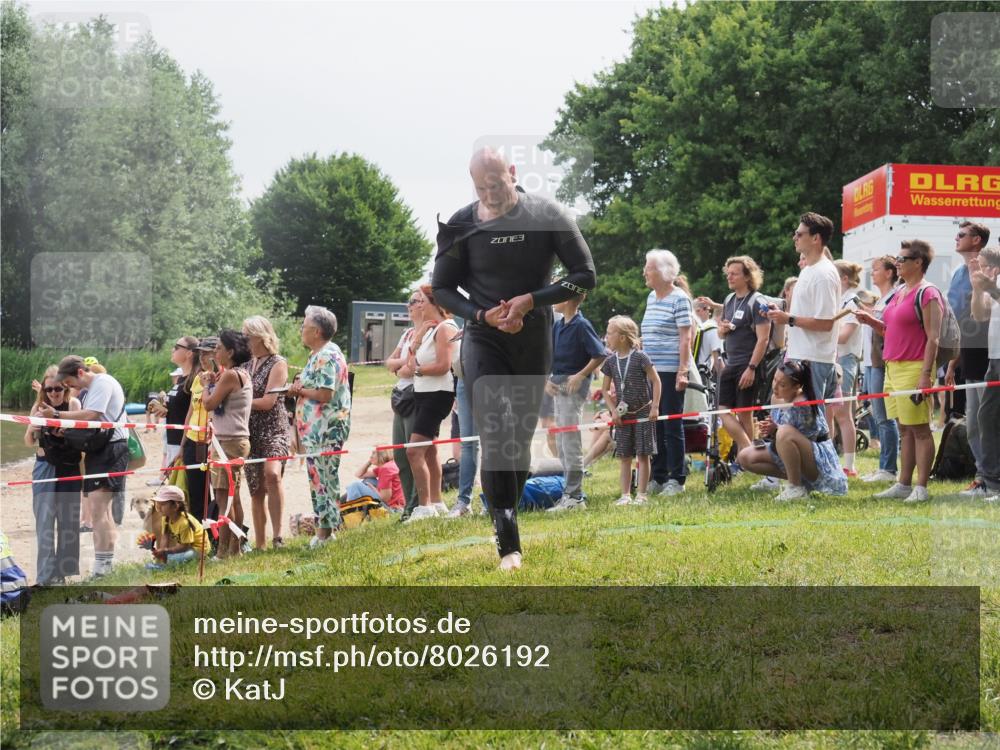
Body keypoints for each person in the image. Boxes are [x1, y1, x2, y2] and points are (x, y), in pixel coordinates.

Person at [432, 147, 596, 571]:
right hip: (483, 337)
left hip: (533, 337)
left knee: (518, 444)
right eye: (480, 188)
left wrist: (530, 301)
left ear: (513, 173)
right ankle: (509, 544)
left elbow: (585, 275)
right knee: (495, 432)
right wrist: (480, 315)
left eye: (496, 185)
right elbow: (443, 289)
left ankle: (506, 508)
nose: (490, 195)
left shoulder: (547, 215)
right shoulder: (461, 225)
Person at [855, 240, 942, 503]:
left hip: (915, 366)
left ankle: (921, 487)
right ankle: (904, 484)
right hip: (892, 366)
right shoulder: (900, 291)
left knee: (920, 430)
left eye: (902, 259)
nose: (897, 263)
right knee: (904, 429)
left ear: (919, 262)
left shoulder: (928, 293)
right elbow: (891, 330)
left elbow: (934, 337)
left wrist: (925, 374)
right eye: (897, 259)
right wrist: (872, 322)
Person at [765, 213, 842, 479]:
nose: (794, 238)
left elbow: (826, 323)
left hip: (814, 359)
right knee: (788, 420)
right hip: (798, 355)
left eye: (799, 234)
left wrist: (789, 319)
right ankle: (791, 476)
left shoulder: (824, 274)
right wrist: (782, 315)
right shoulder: (808, 269)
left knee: (808, 426)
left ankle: (821, 479)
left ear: (816, 238)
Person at [44, 356, 128, 577]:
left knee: (98, 512)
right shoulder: (94, 387)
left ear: (80, 373)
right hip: (102, 450)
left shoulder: (102, 383)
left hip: (110, 449)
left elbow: (92, 415)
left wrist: (56, 415)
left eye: (69, 382)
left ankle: (101, 569)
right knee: (103, 512)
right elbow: (92, 421)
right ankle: (105, 566)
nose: (69, 387)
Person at [737, 360, 848, 501]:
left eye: (782, 385)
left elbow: (799, 438)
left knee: (784, 432)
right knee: (745, 457)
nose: (775, 387)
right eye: (775, 380)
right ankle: (797, 482)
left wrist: (777, 429)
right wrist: (773, 429)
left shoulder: (802, 404)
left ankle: (795, 487)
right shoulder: (776, 398)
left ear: (797, 386)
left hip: (818, 462)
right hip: (791, 450)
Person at [289, 305, 352, 547]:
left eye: (304, 326)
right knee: (318, 479)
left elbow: (325, 394)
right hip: (316, 431)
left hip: (326, 430)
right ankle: (323, 530)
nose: (301, 330)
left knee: (324, 479)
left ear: (316, 331)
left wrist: (299, 390)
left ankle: (326, 532)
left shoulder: (327, 355)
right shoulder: (318, 354)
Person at [697, 256, 769, 454]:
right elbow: (721, 334)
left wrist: (752, 368)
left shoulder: (757, 301)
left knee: (745, 414)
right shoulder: (729, 300)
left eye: (734, 274)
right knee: (722, 410)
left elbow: (763, 339)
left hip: (749, 364)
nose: (729, 277)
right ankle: (748, 451)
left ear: (747, 276)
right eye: (728, 273)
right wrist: (723, 330)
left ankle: (747, 457)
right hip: (731, 363)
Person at [545, 293, 606, 512]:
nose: (553, 300)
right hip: (558, 386)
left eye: (558, 296)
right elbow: (551, 357)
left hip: (573, 389)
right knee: (562, 442)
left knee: (570, 444)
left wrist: (580, 375)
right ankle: (568, 493)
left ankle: (575, 497)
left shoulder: (581, 325)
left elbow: (599, 354)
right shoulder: (558, 325)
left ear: (569, 299)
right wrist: (547, 380)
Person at [945, 221, 992, 497]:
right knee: (973, 422)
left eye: (962, 235)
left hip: (989, 354)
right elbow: (957, 319)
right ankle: (982, 475)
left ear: (977, 240)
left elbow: (981, 314)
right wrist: (953, 360)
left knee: (987, 422)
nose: (956, 238)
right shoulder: (958, 273)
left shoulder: (989, 269)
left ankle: (989, 478)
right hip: (969, 355)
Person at [404, 285, 458, 522]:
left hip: (438, 394)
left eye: (421, 301)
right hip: (423, 393)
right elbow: (409, 364)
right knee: (431, 449)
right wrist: (417, 339)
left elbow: (443, 366)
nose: (417, 305)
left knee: (414, 451)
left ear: (433, 303)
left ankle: (424, 506)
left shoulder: (445, 328)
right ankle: (436, 502)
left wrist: (419, 370)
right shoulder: (428, 329)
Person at [24, 366, 82, 584]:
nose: (54, 393)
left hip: (69, 466)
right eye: (49, 389)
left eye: (58, 389)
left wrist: (68, 432)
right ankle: (45, 576)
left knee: (68, 522)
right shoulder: (38, 407)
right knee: (45, 522)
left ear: (65, 388)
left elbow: (84, 436)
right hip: (45, 466)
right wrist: (33, 427)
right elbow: (28, 441)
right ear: (43, 390)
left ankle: (63, 574)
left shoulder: (74, 404)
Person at [642, 249, 692, 496]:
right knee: (656, 425)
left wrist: (683, 371)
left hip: (671, 371)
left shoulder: (680, 299)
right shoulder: (652, 297)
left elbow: (686, 338)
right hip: (652, 371)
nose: (645, 272)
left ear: (663, 272)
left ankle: (676, 479)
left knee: (672, 424)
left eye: (649, 268)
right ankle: (659, 476)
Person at [200, 330, 253, 557]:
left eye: (219, 348)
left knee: (225, 499)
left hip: (229, 442)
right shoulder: (237, 374)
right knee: (232, 497)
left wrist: (205, 385)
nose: (215, 352)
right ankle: (233, 548)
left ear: (231, 352)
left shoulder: (231, 375)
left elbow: (209, 404)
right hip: (231, 441)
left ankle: (225, 551)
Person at [598, 316, 661, 506]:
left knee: (643, 454)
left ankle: (641, 495)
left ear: (622, 337)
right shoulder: (610, 362)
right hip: (623, 415)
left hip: (643, 413)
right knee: (625, 455)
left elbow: (656, 381)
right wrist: (613, 411)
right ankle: (625, 495)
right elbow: (605, 390)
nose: (606, 337)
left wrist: (655, 406)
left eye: (610, 333)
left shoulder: (641, 357)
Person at [242, 315, 290, 550]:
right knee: (256, 489)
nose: (245, 340)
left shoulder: (278, 363)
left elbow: (269, 401)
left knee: (272, 475)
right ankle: (260, 543)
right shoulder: (243, 366)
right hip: (249, 432)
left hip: (274, 429)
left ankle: (278, 536)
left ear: (260, 336)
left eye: (247, 336)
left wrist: (240, 402)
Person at [860, 256, 901, 483]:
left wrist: (869, 320)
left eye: (876, 269)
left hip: (880, 363)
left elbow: (889, 330)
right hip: (870, 363)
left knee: (884, 418)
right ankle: (884, 467)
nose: (872, 272)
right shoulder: (882, 299)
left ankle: (888, 469)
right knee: (878, 417)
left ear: (889, 273)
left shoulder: (894, 297)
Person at [385, 295, 422, 518]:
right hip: (401, 396)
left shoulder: (428, 331)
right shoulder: (407, 333)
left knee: (413, 453)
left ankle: (416, 505)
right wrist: (401, 366)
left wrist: (400, 367)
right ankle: (409, 504)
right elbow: (390, 362)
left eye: (415, 301)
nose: (409, 305)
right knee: (400, 455)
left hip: (416, 397)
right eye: (409, 301)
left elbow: (409, 369)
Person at [969, 246, 1000, 501]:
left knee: (988, 417)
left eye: (980, 265)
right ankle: (992, 483)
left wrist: (989, 287)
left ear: (993, 267)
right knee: (986, 417)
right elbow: (980, 315)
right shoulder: (992, 284)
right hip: (995, 359)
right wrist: (979, 290)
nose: (977, 269)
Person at [446, 324, 482, 518]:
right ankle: (463, 502)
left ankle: (492, 500)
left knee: (492, 443)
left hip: (489, 377)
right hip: (463, 378)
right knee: (468, 443)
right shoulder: (468, 317)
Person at [834, 260, 865, 476]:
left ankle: (849, 465)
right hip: (834, 358)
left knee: (843, 415)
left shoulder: (852, 301)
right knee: (834, 414)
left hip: (845, 360)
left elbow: (844, 336)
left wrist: (820, 330)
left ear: (844, 279)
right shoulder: (839, 300)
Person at [180, 338, 216, 522]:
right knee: (195, 492)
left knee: (216, 491)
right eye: (200, 353)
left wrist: (208, 386)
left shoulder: (221, 378)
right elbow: (191, 411)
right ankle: (198, 532)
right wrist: (183, 443)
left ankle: (216, 532)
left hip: (213, 442)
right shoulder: (197, 378)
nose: (202, 357)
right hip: (193, 440)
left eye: (207, 353)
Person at [147, 485, 210, 569]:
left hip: (198, 549)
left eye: (162, 504)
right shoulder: (166, 517)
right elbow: (165, 536)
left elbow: (184, 546)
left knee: (171, 560)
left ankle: (200, 559)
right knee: (167, 558)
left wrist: (165, 552)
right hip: (186, 547)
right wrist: (161, 553)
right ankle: (163, 565)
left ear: (176, 506)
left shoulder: (184, 523)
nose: (158, 507)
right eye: (158, 503)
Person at [693, 299, 723, 377]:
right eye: (708, 310)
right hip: (701, 375)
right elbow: (718, 362)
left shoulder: (697, 327)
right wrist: (727, 380)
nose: (709, 313)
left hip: (691, 372)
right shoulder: (713, 329)